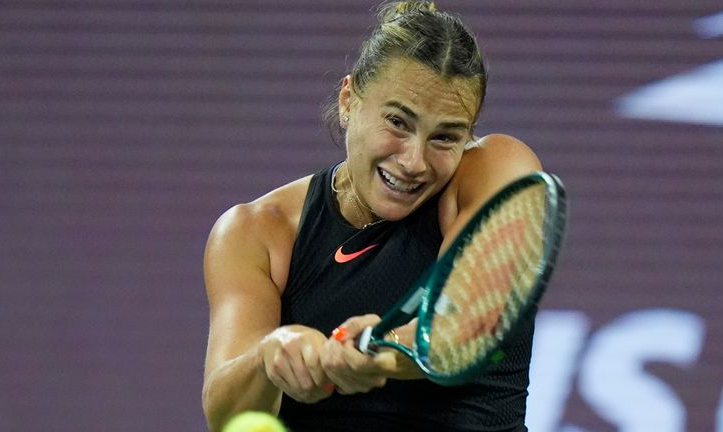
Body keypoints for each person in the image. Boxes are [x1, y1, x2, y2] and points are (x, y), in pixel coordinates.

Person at [202, 2, 542, 431]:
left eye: (446, 136)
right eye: (398, 122)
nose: (414, 161)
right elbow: (225, 414)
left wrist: (379, 349)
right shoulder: (256, 231)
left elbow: (466, 326)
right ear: (349, 100)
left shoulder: (499, 170)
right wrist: (269, 357)